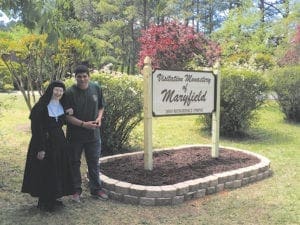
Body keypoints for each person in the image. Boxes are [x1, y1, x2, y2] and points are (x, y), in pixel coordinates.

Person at [21, 80, 74, 212]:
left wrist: (69, 110)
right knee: (45, 171)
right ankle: (44, 201)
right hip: (44, 142)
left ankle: (54, 197)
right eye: (56, 90)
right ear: (51, 90)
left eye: (61, 90)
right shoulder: (41, 106)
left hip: (59, 143)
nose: (58, 93)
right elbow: (36, 129)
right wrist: (40, 148)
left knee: (57, 170)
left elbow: (64, 119)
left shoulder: (62, 105)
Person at [64, 64, 108, 202]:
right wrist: (84, 124)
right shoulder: (69, 93)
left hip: (93, 135)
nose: (82, 79)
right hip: (75, 136)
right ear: (75, 77)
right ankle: (76, 190)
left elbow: (101, 106)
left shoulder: (96, 88)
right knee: (74, 163)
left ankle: (96, 189)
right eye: (79, 77)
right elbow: (67, 117)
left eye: (84, 76)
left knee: (94, 163)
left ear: (89, 77)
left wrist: (99, 118)